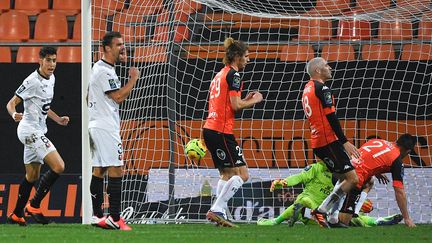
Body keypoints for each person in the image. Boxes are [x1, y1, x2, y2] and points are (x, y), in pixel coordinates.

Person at [203, 37, 263, 227]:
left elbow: (228, 103)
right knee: (243, 174)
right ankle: (217, 209)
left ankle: (219, 214)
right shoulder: (234, 75)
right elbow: (236, 106)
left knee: (227, 175)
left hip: (210, 129)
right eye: (246, 56)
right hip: (221, 131)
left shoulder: (219, 75)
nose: (248, 59)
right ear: (236, 56)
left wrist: (243, 98)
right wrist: (254, 100)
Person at [6, 46, 69, 226]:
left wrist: (58, 119)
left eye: (54, 60)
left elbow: (44, 106)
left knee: (32, 176)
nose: (52, 64)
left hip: (38, 131)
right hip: (28, 130)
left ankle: (17, 213)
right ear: (40, 61)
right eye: (48, 60)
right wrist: (13, 114)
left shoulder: (52, 79)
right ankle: (33, 206)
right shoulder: (31, 81)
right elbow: (11, 103)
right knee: (59, 166)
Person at [88, 31, 140, 231]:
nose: (122, 47)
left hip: (97, 123)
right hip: (105, 126)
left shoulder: (100, 68)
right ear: (107, 48)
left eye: (123, 44)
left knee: (99, 170)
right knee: (117, 168)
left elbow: (88, 95)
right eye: (118, 45)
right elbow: (118, 97)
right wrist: (133, 79)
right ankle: (115, 218)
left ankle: (97, 216)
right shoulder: (105, 72)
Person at [301, 57, 360, 228]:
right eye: (326, 65)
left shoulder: (307, 88)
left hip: (317, 141)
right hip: (328, 141)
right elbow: (331, 117)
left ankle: (333, 217)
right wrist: (345, 142)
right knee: (352, 179)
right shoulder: (322, 88)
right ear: (318, 70)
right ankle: (321, 211)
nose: (330, 68)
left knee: (342, 180)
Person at [258, 162, 402, 227]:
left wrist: (360, 203)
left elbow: (346, 194)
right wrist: (284, 182)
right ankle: (275, 221)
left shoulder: (343, 174)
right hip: (311, 207)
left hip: (322, 214)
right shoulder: (316, 168)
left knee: (351, 218)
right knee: (304, 201)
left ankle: (378, 221)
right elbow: (299, 177)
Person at [337, 134, 417, 227]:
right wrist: (407, 218)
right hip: (354, 178)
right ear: (408, 151)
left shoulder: (378, 141)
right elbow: (399, 191)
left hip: (342, 170)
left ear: (397, 141)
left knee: (369, 181)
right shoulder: (397, 161)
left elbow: (365, 156)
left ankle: (353, 213)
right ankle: (344, 217)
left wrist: (376, 171)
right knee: (343, 224)